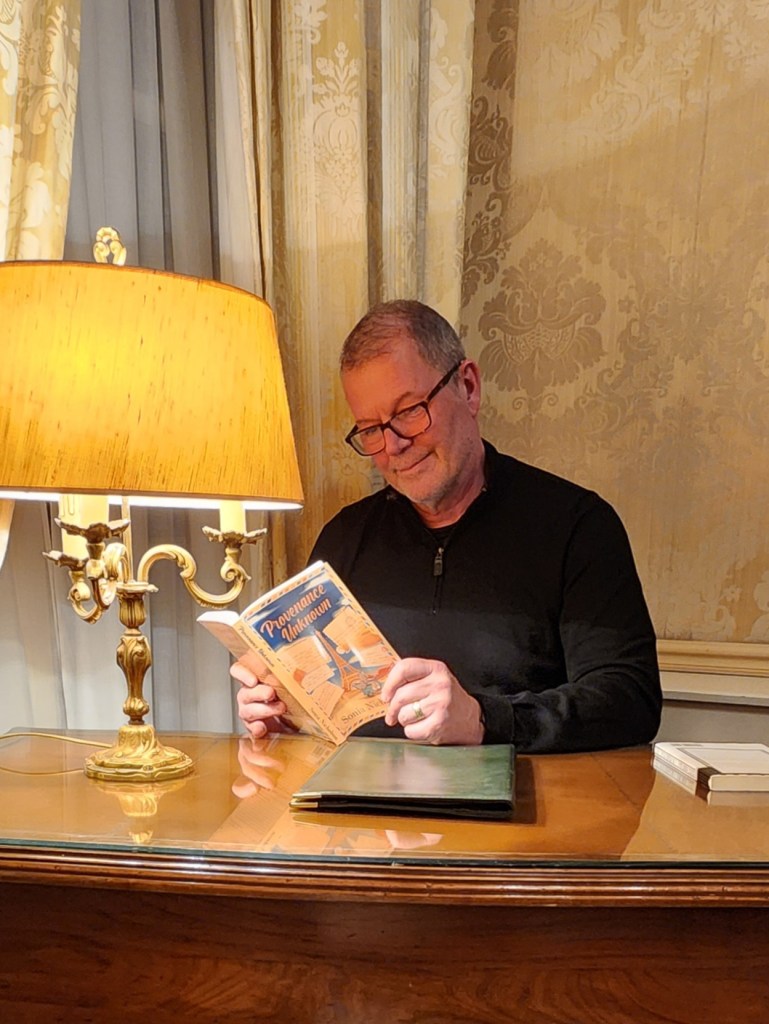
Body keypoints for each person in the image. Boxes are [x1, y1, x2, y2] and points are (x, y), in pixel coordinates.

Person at [232, 300, 662, 752]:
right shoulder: (345, 538)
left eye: (409, 411)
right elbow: (325, 711)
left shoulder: (578, 526)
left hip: (523, 813)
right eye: (371, 429)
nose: (393, 446)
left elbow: (629, 700)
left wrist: (482, 719)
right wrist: (287, 714)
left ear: (469, 387)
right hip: (362, 816)